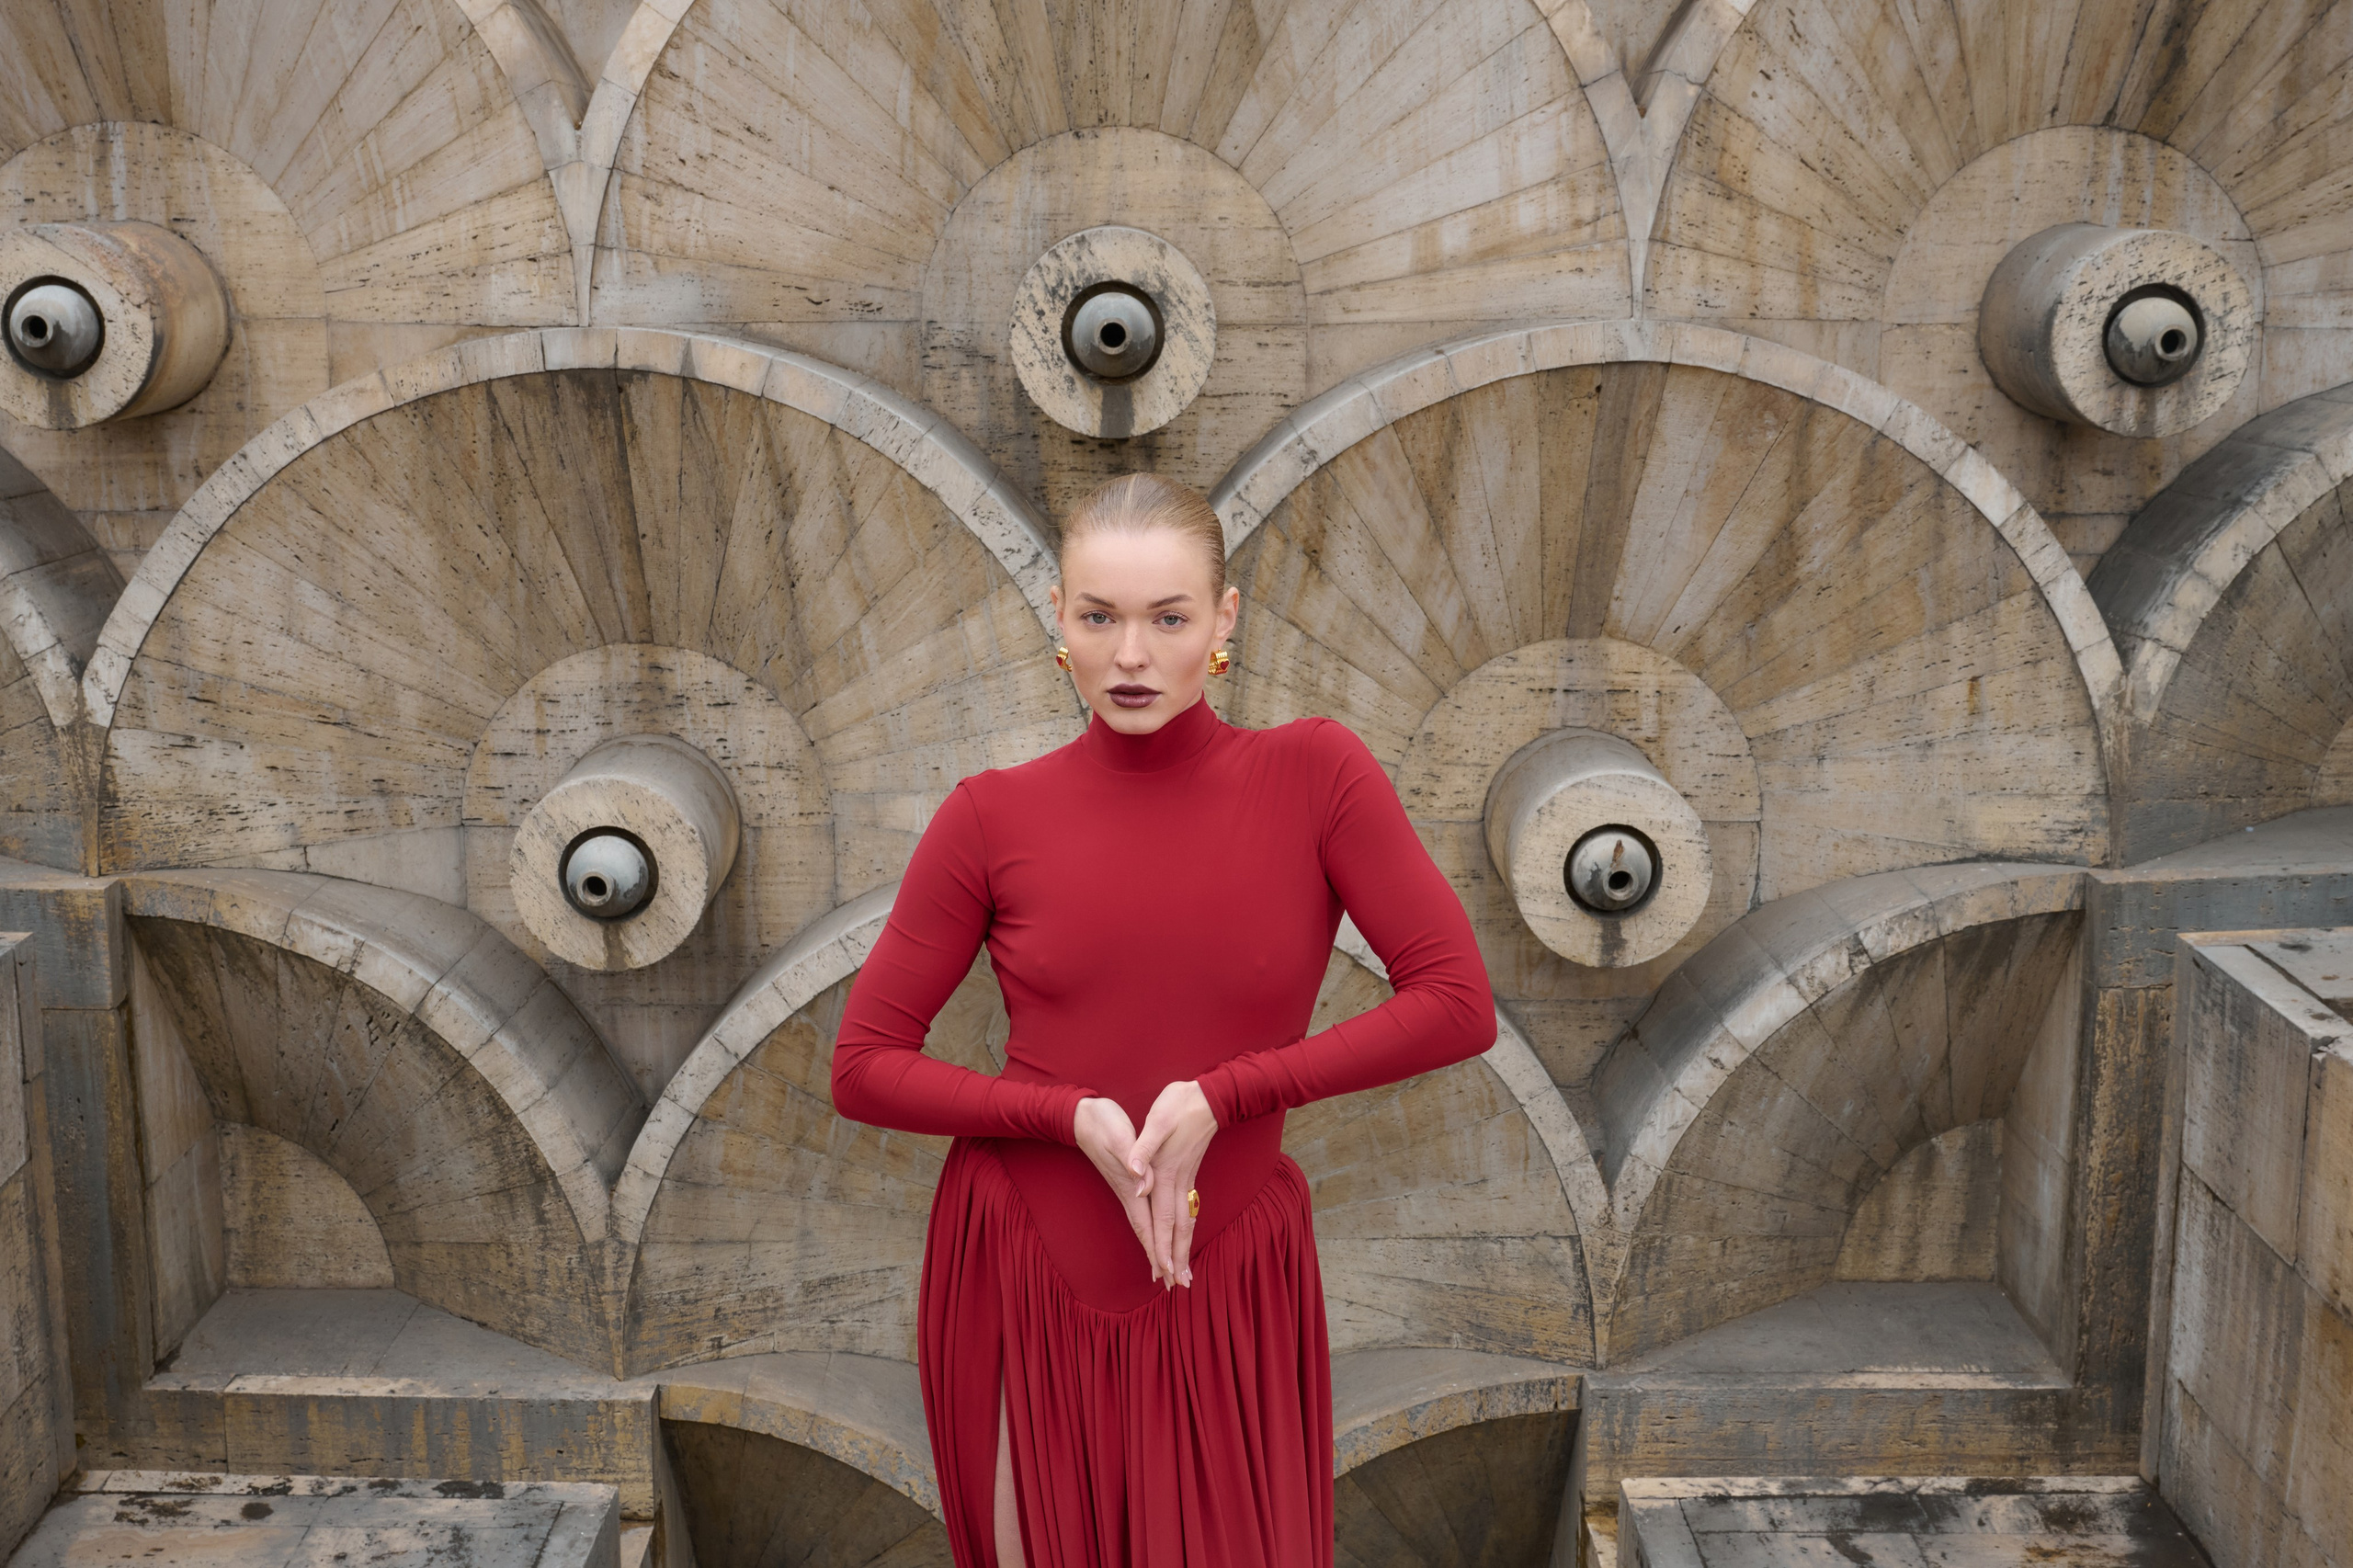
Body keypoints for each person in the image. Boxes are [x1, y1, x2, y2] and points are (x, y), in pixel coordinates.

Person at [831, 472, 1496, 1568]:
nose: (1129, 655)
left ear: (1224, 620)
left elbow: (1456, 1003)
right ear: (1059, 616)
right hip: (1023, 1266)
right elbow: (862, 1065)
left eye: (1168, 618)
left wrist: (1228, 1092)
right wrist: (1065, 1115)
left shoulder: (1316, 774)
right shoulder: (989, 815)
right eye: (1099, 617)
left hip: (1227, 1276)